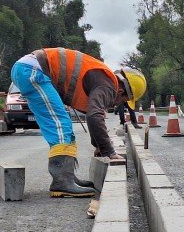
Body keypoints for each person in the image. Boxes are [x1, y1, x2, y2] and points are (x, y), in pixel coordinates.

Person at [10, 47, 146, 198]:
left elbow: (91, 115)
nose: (116, 104)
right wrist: (110, 152)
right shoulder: (109, 86)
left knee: (61, 126)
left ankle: (66, 176)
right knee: (61, 125)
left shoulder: (102, 79)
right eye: (122, 101)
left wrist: (99, 146)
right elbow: (95, 116)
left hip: (29, 69)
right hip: (33, 71)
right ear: (121, 92)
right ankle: (61, 182)